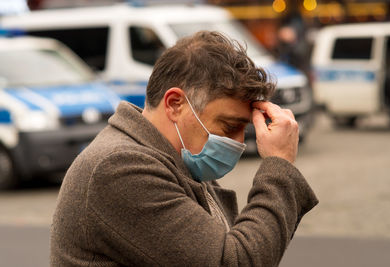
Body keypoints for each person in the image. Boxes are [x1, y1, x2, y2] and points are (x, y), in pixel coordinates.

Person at [50, 31, 318, 266]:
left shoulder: (179, 160)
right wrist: (279, 163)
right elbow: (234, 261)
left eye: (243, 129)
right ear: (175, 104)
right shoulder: (120, 167)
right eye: (228, 126)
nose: (239, 142)